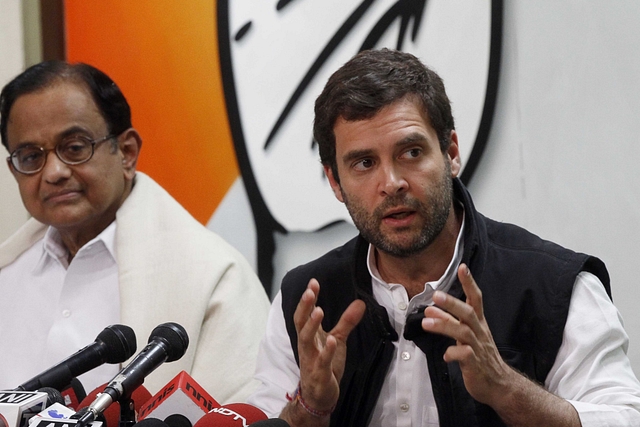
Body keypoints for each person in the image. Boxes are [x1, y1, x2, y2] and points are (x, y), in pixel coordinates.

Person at [246, 49, 640, 426]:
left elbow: (623, 418)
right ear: (335, 180)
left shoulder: (556, 287)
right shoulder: (305, 300)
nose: (392, 183)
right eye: (364, 163)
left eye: (412, 152)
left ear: (450, 152)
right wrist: (311, 409)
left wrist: (506, 389)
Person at [0, 61, 270, 402]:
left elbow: (245, 409)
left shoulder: (214, 277)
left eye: (75, 148)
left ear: (127, 152)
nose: (53, 172)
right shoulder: (7, 273)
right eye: (29, 156)